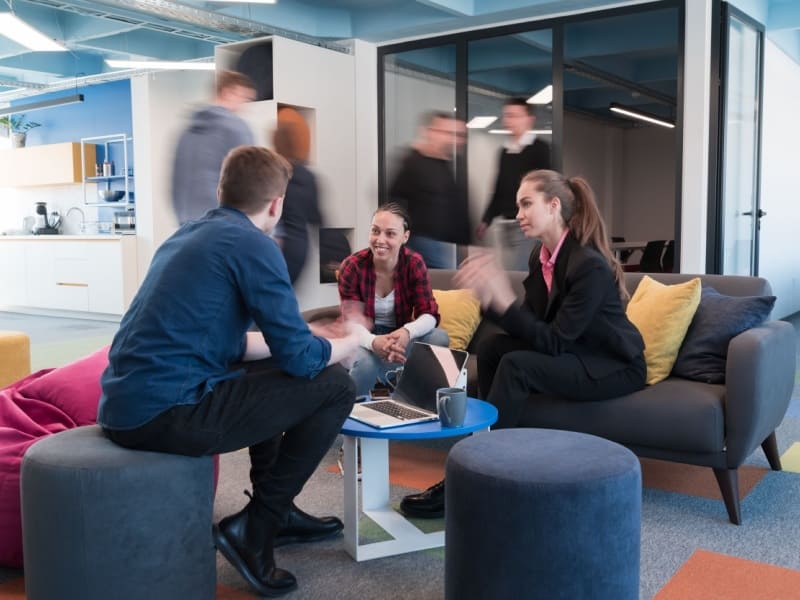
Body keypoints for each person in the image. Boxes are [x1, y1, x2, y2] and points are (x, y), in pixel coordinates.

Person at [98, 146, 360, 598]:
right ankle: (256, 528)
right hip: (169, 412)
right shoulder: (254, 245)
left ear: (222, 190)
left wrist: (310, 339)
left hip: (126, 404)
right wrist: (350, 341)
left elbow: (229, 343)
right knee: (336, 385)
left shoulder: (188, 235)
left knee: (273, 368)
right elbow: (302, 360)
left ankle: (278, 510)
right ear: (277, 204)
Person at [399, 169, 646, 519]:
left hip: (611, 365)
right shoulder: (541, 257)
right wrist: (488, 296)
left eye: (526, 204)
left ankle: (470, 477)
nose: (518, 215)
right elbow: (530, 327)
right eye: (518, 205)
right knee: (493, 348)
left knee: (517, 366)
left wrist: (504, 300)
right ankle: (485, 455)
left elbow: (554, 341)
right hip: (576, 351)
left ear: (554, 205)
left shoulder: (587, 265)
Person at [337, 202, 449, 397]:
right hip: (364, 338)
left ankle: (408, 401)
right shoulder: (352, 266)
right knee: (366, 363)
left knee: (439, 337)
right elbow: (350, 321)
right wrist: (373, 342)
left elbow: (429, 314)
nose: (380, 240)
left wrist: (407, 332)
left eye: (390, 233)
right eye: (375, 231)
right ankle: (348, 417)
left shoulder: (414, 264)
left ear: (405, 237)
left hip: (400, 337)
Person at [171, 70, 256, 225]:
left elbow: (176, 182)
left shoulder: (187, 131)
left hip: (188, 225)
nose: (245, 106)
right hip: (225, 226)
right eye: (244, 98)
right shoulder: (235, 127)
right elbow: (253, 180)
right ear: (228, 92)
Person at [476, 98, 551, 271]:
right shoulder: (504, 151)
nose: (508, 120)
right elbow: (499, 189)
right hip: (506, 225)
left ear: (529, 119)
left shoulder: (539, 148)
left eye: (514, 116)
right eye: (507, 116)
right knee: (509, 275)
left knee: (521, 274)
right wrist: (486, 220)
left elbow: (546, 188)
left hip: (527, 224)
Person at [388, 111, 469, 269]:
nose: (448, 138)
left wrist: (465, 243)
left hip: (443, 242)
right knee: (441, 284)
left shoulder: (446, 163)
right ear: (429, 132)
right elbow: (395, 199)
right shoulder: (412, 161)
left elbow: (456, 205)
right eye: (442, 132)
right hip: (421, 240)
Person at [272, 120, 323, 283]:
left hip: (276, 245)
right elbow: (316, 218)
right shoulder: (308, 176)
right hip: (299, 249)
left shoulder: (272, 173)